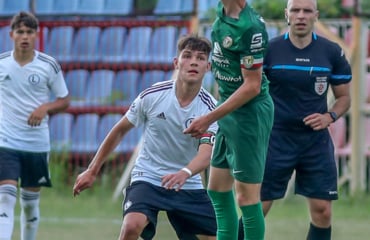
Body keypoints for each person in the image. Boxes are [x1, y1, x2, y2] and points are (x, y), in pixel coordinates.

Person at [73, 34, 218, 240]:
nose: (194, 61)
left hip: (188, 182)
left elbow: (206, 155)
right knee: (132, 226)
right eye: (187, 56)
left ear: (208, 67)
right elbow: (120, 129)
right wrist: (92, 170)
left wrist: (184, 173)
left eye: (201, 58)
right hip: (148, 176)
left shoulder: (210, 108)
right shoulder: (153, 96)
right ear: (176, 63)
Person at [237, 0, 352, 239]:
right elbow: (248, 90)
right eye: (295, 10)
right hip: (275, 139)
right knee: (258, 207)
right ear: (286, 14)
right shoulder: (269, 50)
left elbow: (344, 98)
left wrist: (329, 117)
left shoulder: (332, 52)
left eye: (307, 11)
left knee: (323, 211)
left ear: (315, 16)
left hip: (315, 143)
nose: (301, 15)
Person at [184, 1, 274, 239]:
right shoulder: (220, 15)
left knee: (246, 197)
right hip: (227, 111)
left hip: (249, 115)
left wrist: (208, 118)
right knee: (217, 190)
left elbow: (253, 86)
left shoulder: (251, 27)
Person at [0, 11, 70, 240]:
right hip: (6, 142)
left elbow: (64, 100)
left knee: (29, 205)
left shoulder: (48, 65)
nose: (25, 36)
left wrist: (45, 108)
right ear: (11, 34)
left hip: (36, 145)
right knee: (5, 197)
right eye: (20, 31)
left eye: (29, 32)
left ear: (36, 35)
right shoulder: (2, 64)